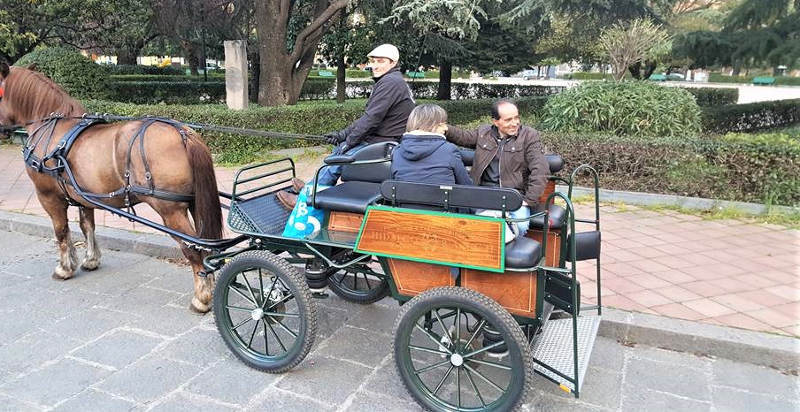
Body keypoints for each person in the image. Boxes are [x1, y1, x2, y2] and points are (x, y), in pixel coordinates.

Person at [276, 43, 415, 209]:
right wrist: (342, 135)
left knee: (339, 157)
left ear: (393, 63)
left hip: (385, 144)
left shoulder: (390, 83)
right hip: (381, 139)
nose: (375, 66)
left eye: (381, 62)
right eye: (373, 61)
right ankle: (314, 187)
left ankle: (305, 201)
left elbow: (371, 120)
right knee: (341, 149)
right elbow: (367, 117)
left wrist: (349, 143)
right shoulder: (391, 80)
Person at [444, 99, 549, 234]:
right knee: (468, 226)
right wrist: (445, 129)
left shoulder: (529, 135)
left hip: (513, 195)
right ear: (495, 121)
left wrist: (528, 200)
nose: (515, 123)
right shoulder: (484, 133)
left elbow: (540, 169)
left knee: (521, 226)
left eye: (517, 117)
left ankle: (507, 254)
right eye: (508, 120)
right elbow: (464, 136)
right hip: (483, 195)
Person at [391, 104, 472, 186]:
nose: (446, 128)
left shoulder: (397, 152)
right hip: (442, 198)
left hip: (404, 198)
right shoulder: (449, 150)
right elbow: (466, 186)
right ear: (431, 125)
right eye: (442, 124)